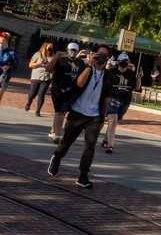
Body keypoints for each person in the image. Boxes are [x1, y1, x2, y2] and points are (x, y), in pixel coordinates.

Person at [47, 44, 113, 189]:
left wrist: (103, 117)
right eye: (99, 54)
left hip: (94, 116)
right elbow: (78, 84)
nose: (101, 58)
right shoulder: (84, 67)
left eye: (104, 56)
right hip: (77, 112)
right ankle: (57, 157)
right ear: (94, 54)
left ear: (108, 58)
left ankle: (83, 176)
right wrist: (90, 65)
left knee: (90, 146)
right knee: (67, 141)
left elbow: (107, 97)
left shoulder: (108, 75)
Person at [46, 42, 83, 143]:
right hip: (58, 89)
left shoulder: (80, 62)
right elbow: (48, 69)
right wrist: (55, 57)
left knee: (62, 112)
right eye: (71, 50)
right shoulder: (60, 59)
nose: (73, 52)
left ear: (77, 51)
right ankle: (57, 135)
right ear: (67, 50)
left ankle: (55, 131)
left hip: (71, 91)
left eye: (75, 50)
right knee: (59, 112)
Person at [102, 52, 137, 154]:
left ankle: (106, 139)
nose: (124, 64)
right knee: (113, 120)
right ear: (118, 62)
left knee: (114, 121)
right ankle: (110, 145)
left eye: (126, 62)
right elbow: (105, 83)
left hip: (125, 101)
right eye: (122, 62)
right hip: (113, 99)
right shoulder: (111, 72)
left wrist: (139, 76)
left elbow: (136, 87)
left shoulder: (131, 74)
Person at [25, 41, 55, 116]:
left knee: (41, 94)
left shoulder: (53, 56)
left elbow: (55, 67)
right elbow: (30, 65)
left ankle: (38, 110)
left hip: (47, 78)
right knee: (32, 93)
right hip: (36, 76)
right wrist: (39, 63)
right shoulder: (38, 54)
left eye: (52, 47)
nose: (50, 48)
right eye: (49, 47)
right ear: (45, 46)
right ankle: (29, 102)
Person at [0, 31, 17, 105]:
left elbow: (16, 64)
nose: (0, 44)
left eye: (2, 42)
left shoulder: (11, 52)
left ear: (6, 42)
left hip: (4, 74)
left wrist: (9, 65)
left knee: (0, 92)